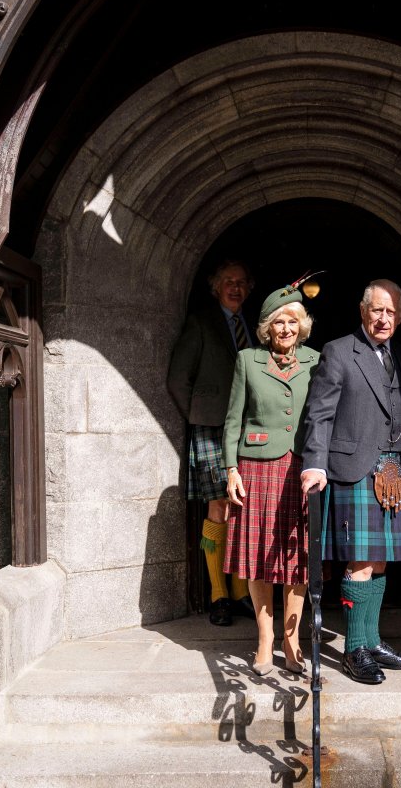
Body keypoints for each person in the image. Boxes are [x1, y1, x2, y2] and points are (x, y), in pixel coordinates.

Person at [301, 279, 401, 685]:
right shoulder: (338, 351)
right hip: (353, 468)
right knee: (360, 561)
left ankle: (372, 641)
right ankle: (354, 650)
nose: (383, 318)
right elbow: (319, 413)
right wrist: (313, 464)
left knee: (380, 559)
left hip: (392, 470)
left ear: (400, 317)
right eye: (377, 310)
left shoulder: (400, 357)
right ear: (362, 311)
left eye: (391, 312)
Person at [222, 278, 320, 675]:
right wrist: (230, 469)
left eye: (293, 321)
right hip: (256, 465)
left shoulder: (317, 360)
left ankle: (291, 640)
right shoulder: (248, 360)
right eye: (278, 322)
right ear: (266, 327)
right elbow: (233, 419)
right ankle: (264, 640)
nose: (286, 329)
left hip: (300, 468)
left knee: (297, 558)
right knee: (259, 556)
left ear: (302, 325)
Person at [167, 260, 254, 626]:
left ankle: (241, 592)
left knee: (243, 509)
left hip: (251, 429)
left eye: (241, 282)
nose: (235, 288)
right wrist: (200, 414)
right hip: (212, 428)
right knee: (217, 508)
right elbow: (177, 378)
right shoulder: (201, 322)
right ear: (215, 287)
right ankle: (219, 592)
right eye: (228, 282)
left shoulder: (254, 327)